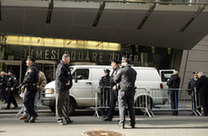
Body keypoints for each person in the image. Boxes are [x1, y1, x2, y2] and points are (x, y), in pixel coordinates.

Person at [112, 57, 137, 129]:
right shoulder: (134, 71)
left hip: (123, 90)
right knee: (131, 108)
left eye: (122, 61)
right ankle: (133, 123)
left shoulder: (122, 70)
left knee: (122, 107)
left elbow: (115, 79)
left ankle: (122, 124)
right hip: (131, 90)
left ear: (125, 62)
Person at [55, 54, 73, 125]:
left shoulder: (65, 66)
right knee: (59, 104)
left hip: (65, 88)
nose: (69, 60)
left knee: (66, 104)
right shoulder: (61, 66)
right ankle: (59, 119)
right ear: (66, 59)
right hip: (61, 88)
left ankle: (66, 118)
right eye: (69, 59)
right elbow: (59, 76)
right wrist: (66, 81)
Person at [21, 56, 39, 123]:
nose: (26, 62)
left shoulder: (32, 69)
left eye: (27, 60)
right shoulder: (30, 68)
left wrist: (23, 83)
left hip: (31, 87)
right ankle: (30, 116)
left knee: (26, 101)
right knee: (30, 103)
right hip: (30, 87)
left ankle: (33, 114)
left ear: (31, 61)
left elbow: (29, 78)